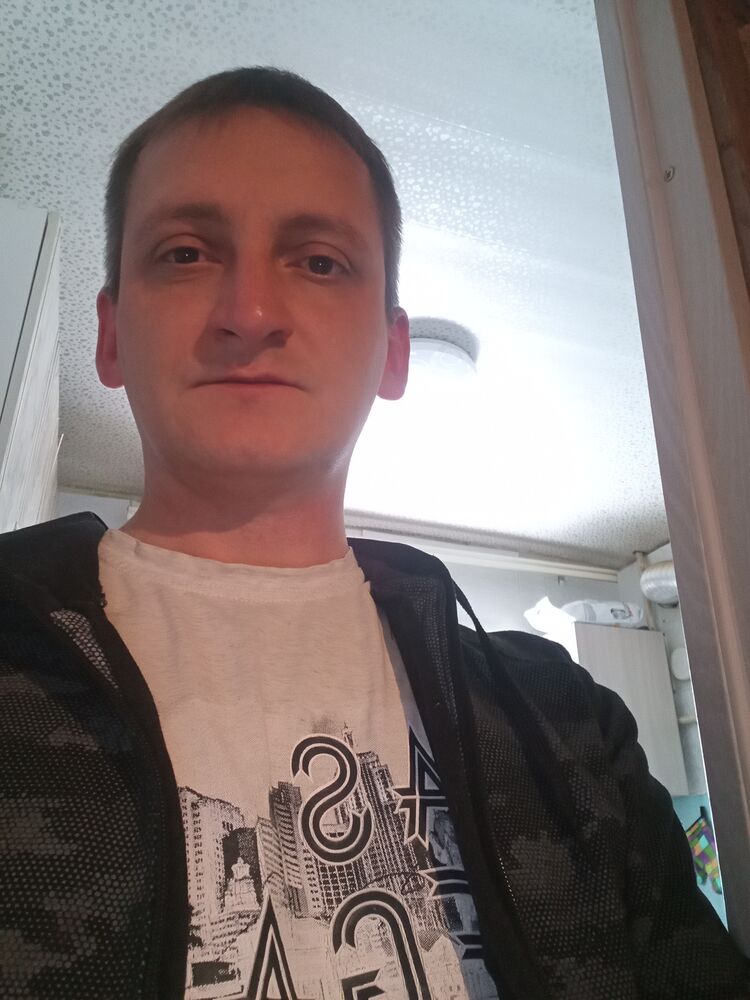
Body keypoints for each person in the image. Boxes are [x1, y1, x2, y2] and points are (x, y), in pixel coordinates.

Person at [0, 67, 747, 1000]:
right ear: (110, 337)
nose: (249, 313)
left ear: (394, 353)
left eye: (318, 262)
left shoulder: (565, 724)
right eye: (186, 254)